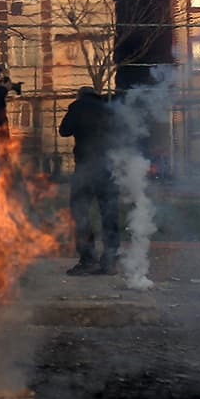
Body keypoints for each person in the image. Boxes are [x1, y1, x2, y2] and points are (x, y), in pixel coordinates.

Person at [58, 86, 120, 276]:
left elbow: (64, 131)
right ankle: (110, 260)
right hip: (107, 168)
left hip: (85, 167)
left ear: (80, 95)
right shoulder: (109, 109)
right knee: (109, 213)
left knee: (80, 212)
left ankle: (88, 259)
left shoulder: (77, 107)